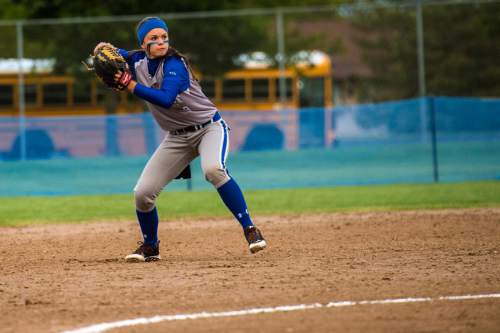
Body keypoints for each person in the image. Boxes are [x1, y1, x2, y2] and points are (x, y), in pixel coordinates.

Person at [94, 17, 266, 262]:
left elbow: (165, 98)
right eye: (153, 38)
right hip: (177, 138)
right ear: (143, 44)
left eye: (164, 37)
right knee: (143, 194)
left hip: (209, 129)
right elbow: (114, 52)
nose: (161, 42)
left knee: (214, 170)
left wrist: (130, 84)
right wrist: (101, 48)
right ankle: (151, 247)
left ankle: (251, 230)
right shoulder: (137, 60)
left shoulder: (175, 64)